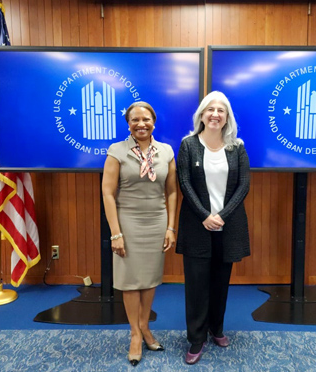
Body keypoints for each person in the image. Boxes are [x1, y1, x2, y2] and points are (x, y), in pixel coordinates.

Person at [176, 91, 251, 365]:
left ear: (227, 116)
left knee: (221, 282)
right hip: (197, 226)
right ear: (202, 115)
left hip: (228, 227)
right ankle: (196, 339)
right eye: (210, 110)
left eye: (221, 110)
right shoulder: (188, 145)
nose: (215, 114)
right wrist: (206, 215)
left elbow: (244, 185)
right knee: (197, 286)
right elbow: (184, 182)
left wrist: (221, 215)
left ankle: (216, 329)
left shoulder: (237, 147)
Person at [102, 102, 178, 367]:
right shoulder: (117, 151)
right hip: (128, 223)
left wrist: (171, 227)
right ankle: (135, 334)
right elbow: (108, 194)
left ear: (154, 122)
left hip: (157, 223)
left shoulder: (166, 151)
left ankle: (145, 327)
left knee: (149, 279)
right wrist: (115, 233)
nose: (141, 124)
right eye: (135, 120)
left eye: (146, 119)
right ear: (128, 123)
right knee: (130, 280)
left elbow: (171, 192)